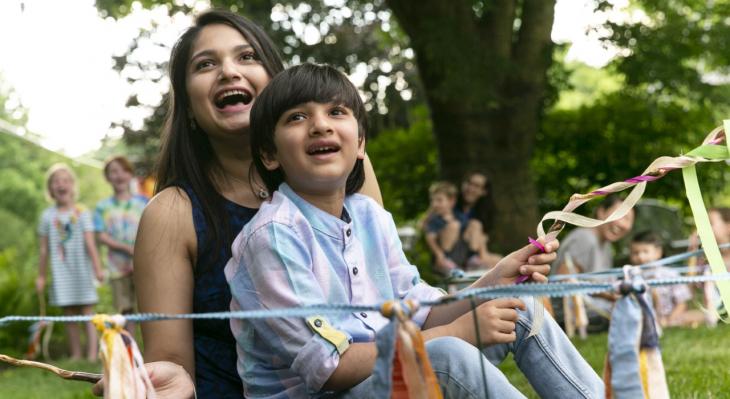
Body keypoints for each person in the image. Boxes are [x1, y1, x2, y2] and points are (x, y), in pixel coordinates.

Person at [225, 63, 602, 398]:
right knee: (443, 354)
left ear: (359, 144)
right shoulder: (273, 236)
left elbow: (420, 314)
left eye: (336, 111)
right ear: (270, 154)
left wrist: (494, 281)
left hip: (381, 379)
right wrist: (459, 331)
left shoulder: (368, 216)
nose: (320, 124)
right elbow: (328, 369)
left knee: (519, 308)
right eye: (296, 118)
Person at [104, 10, 383, 399]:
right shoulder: (173, 213)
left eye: (247, 57)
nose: (228, 72)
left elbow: (386, 295)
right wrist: (152, 380)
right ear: (189, 108)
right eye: (205, 64)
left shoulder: (347, 167)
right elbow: (171, 362)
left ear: (278, 82)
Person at [36, 163, 104, 361]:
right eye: (56, 181)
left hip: (82, 271)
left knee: (87, 313)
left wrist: (98, 269)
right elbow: (43, 249)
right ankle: (75, 353)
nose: (61, 184)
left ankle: (92, 355)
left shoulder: (82, 212)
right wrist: (41, 276)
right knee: (69, 314)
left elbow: (91, 244)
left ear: (72, 186)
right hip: (61, 273)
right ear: (50, 189)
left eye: (65, 181)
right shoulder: (47, 216)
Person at [552, 194, 635, 331]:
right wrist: (609, 295)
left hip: (598, 309)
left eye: (627, 219)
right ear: (601, 211)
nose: (621, 223)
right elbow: (565, 282)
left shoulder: (606, 246)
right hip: (574, 315)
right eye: (618, 214)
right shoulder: (584, 238)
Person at [94, 156, 148, 334]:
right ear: (107, 177)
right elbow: (101, 236)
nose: (119, 175)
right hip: (117, 268)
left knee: (147, 308)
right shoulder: (102, 207)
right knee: (124, 310)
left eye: (123, 170)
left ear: (130, 174)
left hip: (144, 264)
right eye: (113, 172)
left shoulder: (144, 202)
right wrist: (126, 248)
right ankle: (129, 347)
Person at [629, 231, 703, 328]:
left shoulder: (670, 274)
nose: (640, 256)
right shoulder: (631, 277)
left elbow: (682, 303)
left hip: (671, 316)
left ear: (658, 252)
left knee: (697, 315)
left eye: (645, 251)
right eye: (635, 253)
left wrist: (669, 320)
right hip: (643, 319)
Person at [454, 171, 502, 269]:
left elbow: (483, 238)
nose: (470, 188)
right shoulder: (451, 204)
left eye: (476, 186)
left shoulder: (481, 212)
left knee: (501, 261)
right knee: (475, 225)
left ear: (484, 192)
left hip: (472, 252)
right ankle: (474, 261)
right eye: (469, 183)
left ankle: (476, 261)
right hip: (455, 251)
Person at [422, 181, 467, 276]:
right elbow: (430, 238)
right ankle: (446, 262)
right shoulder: (435, 220)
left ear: (452, 201)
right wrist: (439, 254)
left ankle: (472, 260)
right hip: (442, 257)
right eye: (432, 201)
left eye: (439, 200)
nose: (434, 204)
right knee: (454, 226)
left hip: (460, 255)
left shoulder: (459, 216)